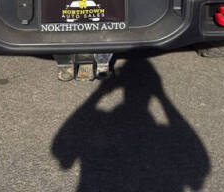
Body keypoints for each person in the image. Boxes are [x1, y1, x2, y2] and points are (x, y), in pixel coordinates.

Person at [52, 59, 210, 192]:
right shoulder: (162, 134)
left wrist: (99, 93)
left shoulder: (101, 121)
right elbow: (199, 168)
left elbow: (62, 154)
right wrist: (162, 96)